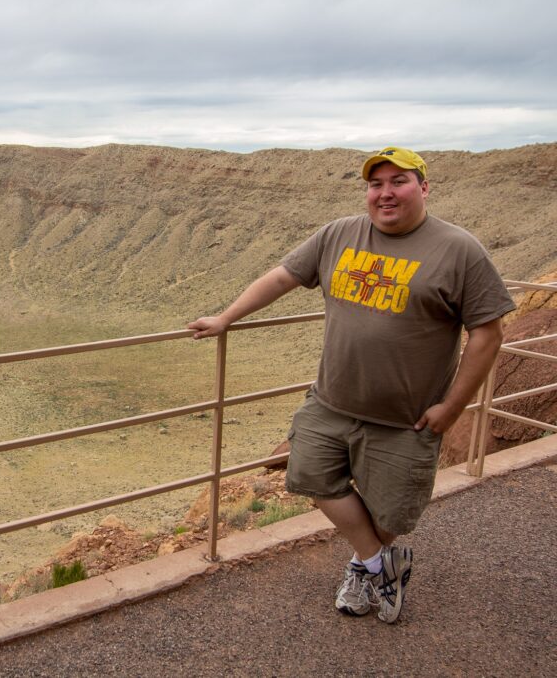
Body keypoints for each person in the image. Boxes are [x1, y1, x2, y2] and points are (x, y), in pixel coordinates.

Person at [188, 147, 515, 623]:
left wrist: (453, 407)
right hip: (331, 402)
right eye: (374, 184)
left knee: (390, 517)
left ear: (423, 188)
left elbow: (489, 332)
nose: (385, 193)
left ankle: (368, 562)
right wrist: (226, 317)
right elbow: (283, 276)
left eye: (398, 182)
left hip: (407, 417)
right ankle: (378, 565)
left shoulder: (459, 249)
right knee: (311, 476)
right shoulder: (339, 234)